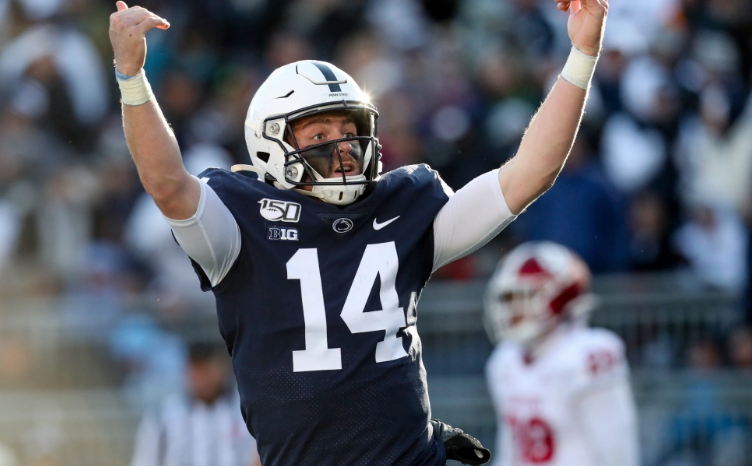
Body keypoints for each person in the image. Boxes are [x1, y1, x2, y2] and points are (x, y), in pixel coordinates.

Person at [108, 0, 609, 462]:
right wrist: (132, 76)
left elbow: (527, 175)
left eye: (349, 132)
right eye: (319, 135)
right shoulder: (240, 223)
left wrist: (582, 53)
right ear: (269, 143)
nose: (343, 147)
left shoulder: (404, 205)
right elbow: (167, 183)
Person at [483, 241, 638, 466]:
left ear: (559, 296)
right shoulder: (505, 360)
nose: (513, 311)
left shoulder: (587, 355)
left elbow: (617, 450)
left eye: (522, 298)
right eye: (508, 300)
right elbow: (509, 451)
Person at [130, 342, 260, 466]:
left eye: (207, 370)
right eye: (196, 371)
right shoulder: (163, 417)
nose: (202, 379)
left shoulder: (247, 412)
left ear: (222, 369)